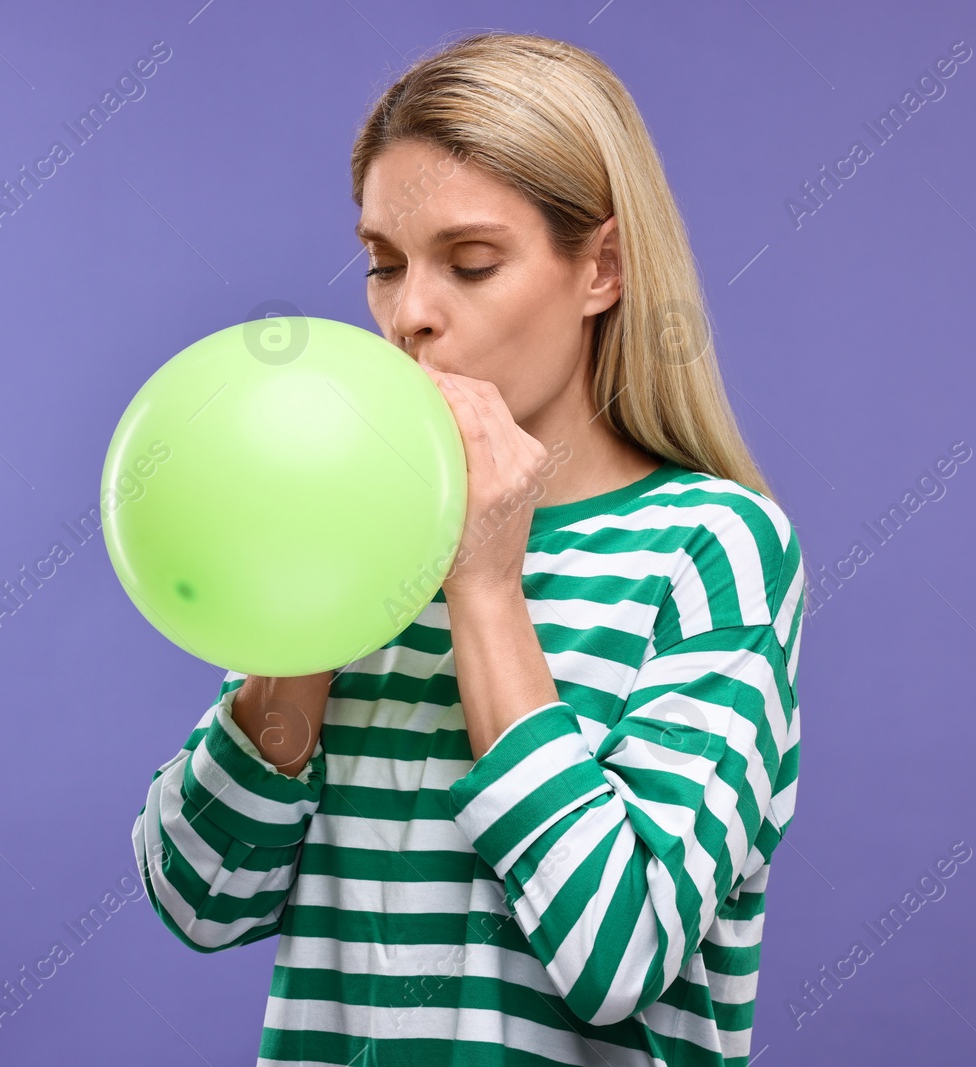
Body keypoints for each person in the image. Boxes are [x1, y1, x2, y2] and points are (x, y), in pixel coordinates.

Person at [132, 31, 805, 1067]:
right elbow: (203, 898)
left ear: (603, 269)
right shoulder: (346, 536)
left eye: (471, 263)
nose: (410, 317)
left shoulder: (711, 549)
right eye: (383, 266)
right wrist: (311, 610)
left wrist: (486, 583)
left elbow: (617, 956)